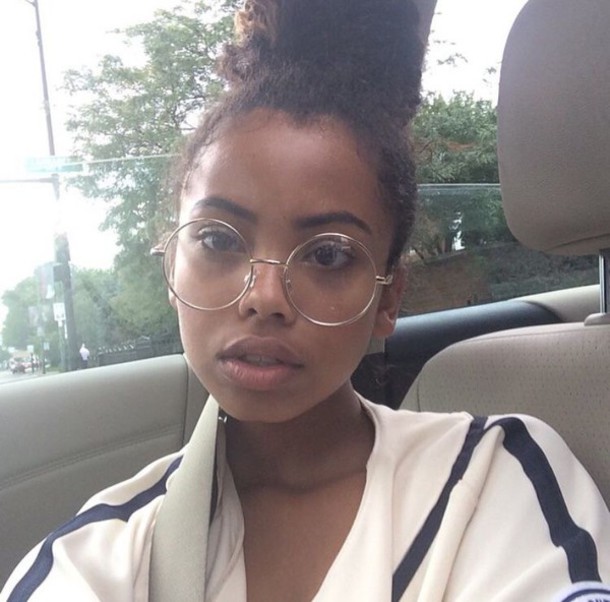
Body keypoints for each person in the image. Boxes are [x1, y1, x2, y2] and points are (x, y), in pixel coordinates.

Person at [2, 0, 610, 600]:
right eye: (218, 240)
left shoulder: (491, 482)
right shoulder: (97, 556)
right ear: (172, 264)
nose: (265, 297)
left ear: (389, 300)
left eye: (327, 255)